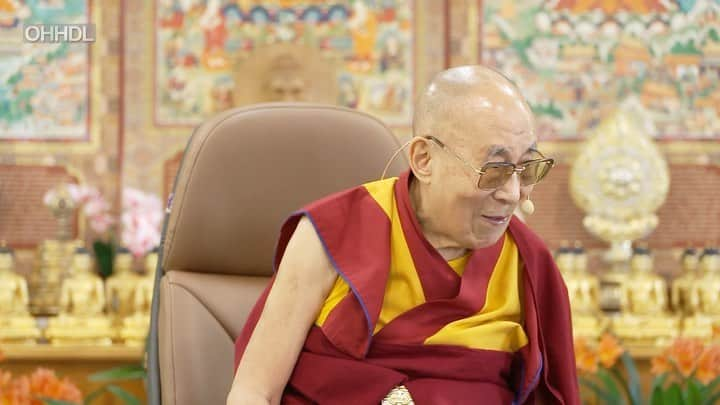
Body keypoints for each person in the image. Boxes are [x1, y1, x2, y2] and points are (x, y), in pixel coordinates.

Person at [227, 65, 579, 404]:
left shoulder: (526, 264)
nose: (513, 193)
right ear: (424, 160)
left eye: (526, 167)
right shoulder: (332, 236)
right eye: (495, 169)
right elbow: (255, 392)